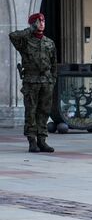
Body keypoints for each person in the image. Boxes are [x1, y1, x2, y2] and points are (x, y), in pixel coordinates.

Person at [9, 13, 56, 153]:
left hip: (46, 81)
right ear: (32, 23)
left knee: (44, 111)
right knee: (31, 111)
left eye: (43, 21)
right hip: (31, 81)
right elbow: (12, 35)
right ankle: (32, 141)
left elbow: (54, 64)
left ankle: (42, 140)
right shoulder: (25, 41)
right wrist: (30, 29)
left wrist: (53, 80)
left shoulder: (49, 42)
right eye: (38, 21)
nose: (41, 23)